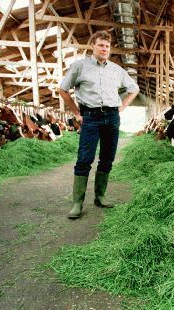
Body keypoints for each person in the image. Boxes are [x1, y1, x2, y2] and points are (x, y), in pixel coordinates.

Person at [59, 30, 139, 219]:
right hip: (91, 118)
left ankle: (100, 196)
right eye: (101, 45)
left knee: (107, 158)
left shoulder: (117, 70)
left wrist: (123, 106)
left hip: (112, 117)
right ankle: (77, 202)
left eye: (107, 46)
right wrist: (77, 113)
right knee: (85, 158)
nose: (104, 49)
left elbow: (133, 89)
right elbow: (63, 90)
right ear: (93, 46)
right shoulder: (80, 67)